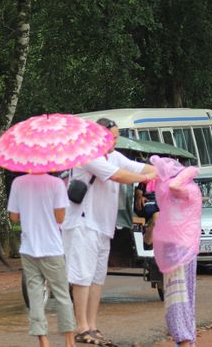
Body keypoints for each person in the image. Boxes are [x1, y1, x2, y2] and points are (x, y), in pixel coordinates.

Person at [63, 119, 156, 346]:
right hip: (83, 225)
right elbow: (119, 176)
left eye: (116, 137)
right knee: (82, 277)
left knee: (97, 278)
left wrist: (163, 170)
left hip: (103, 226)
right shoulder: (87, 155)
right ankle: (81, 326)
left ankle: (92, 326)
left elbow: (134, 167)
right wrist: (147, 178)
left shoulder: (113, 156)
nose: (114, 141)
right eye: (111, 137)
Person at [8, 173, 76, 347]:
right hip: (52, 248)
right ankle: (69, 341)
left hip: (28, 248)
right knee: (62, 294)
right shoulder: (57, 184)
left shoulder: (18, 183)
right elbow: (60, 218)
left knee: (35, 295)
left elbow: (13, 217)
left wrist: (29, 211)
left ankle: (43, 340)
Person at [148, 156, 202, 347]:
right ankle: (184, 338)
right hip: (179, 249)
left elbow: (171, 186)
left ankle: (184, 338)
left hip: (180, 249)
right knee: (180, 293)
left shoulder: (189, 192)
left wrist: (180, 173)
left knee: (179, 293)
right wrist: (191, 170)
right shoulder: (181, 190)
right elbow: (172, 186)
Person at [134, 181, 159, 249]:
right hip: (149, 202)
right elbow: (139, 190)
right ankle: (147, 244)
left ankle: (148, 242)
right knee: (158, 216)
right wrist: (139, 197)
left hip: (164, 204)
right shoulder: (151, 175)